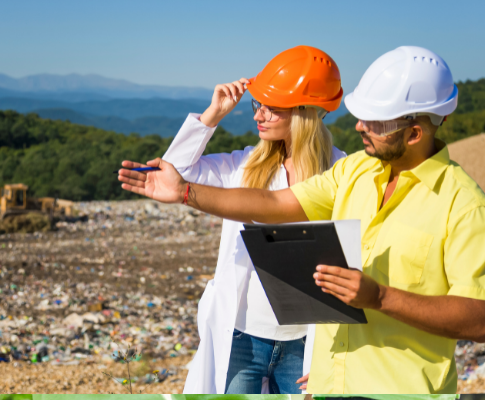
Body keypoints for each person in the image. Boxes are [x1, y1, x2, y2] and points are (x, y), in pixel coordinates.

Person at [118, 46, 485, 394]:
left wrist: (377, 301)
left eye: (373, 121)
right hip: (259, 341)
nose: (359, 127)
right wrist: (193, 172)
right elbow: (265, 200)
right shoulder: (351, 172)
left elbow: (476, 317)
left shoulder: (454, 202)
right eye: (257, 104)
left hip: (331, 357)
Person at [119, 45, 346, 394]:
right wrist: (213, 114)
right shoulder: (243, 165)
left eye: (272, 108)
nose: (258, 115)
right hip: (242, 337)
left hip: (307, 344)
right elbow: (174, 174)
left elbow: (352, 264)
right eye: (258, 104)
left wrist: (334, 359)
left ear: (305, 111)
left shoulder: (344, 172)